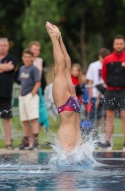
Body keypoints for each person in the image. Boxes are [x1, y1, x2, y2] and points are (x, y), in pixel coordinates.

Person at [45, 21, 82, 152]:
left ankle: (55, 37)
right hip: (73, 108)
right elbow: (67, 61)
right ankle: (57, 37)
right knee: (65, 69)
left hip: (68, 111)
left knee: (62, 70)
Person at [101, 35, 125, 150]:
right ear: (114, 45)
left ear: (124, 45)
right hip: (110, 91)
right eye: (117, 43)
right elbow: (104, 75)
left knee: (124, 116)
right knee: (109, 116)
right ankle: (107, 141)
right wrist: (110, 84)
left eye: (121, 43)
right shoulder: (108, 59)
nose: (119, 45)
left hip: (124, 90)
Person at [17, 49, 40, 150]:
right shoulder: (22, 68)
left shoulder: (34, 69)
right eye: (25, 57)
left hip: (31, 96)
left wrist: (31, 95)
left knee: (33, 119)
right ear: (22, 58)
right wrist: (21, 94)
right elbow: (22, 83)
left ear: (32, 58)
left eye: (28, 57)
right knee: (25, 120)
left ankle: (34, 142)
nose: (26, 59)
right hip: (23, 96)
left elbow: (38, 83)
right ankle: (26, 141)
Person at [0, 38, 16, 149]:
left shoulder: (12, 58)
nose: (3, 47)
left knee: (6, 118)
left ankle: (9, 142)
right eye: (0, 45)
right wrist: (4, 67)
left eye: (5, 45)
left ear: (8, 47)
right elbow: (7, 67)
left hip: (5, 93)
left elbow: (11, 67)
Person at [86, 48, 111, 127]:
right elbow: (90, 80)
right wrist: (90, 94)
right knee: (95, 117)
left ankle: (105, 137)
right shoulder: (93, 65)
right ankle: (95, 135)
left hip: (106, 94)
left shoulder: (110, 65)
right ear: (99, 56)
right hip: (95, 95)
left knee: (106, 117)